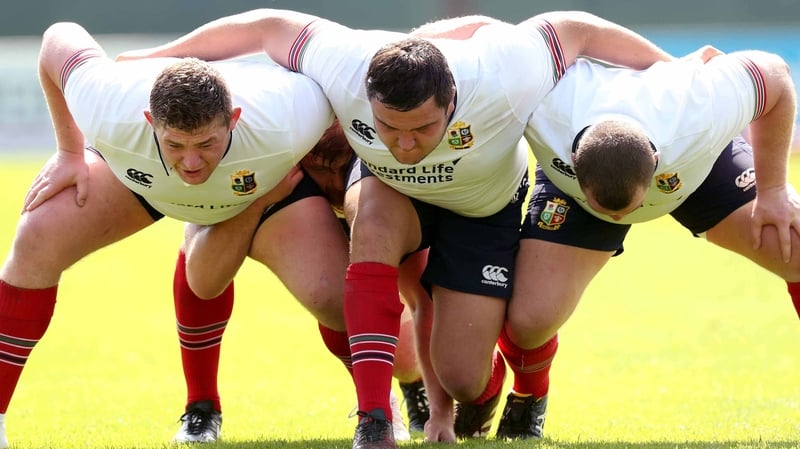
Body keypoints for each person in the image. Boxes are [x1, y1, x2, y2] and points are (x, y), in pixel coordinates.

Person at [116, 9, 673, 448]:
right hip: (393, 194)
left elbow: (576, 28)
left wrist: (671, 68)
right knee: (370, 227)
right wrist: (157, 56)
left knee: (464, 373)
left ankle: (509, 391)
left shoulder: (504, 73)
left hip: (481, 210)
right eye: (388, 127)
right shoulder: (345, 65)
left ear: (452, 101)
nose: (404, 145)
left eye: (422, 129)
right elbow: (266, 25)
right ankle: (374, 420)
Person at [0, 21, 351, 449]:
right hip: (141, 178)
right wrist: (69, 152)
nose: (190, 163)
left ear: (234, 120)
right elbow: (58, 36)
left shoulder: (290, 114)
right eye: (175, 145)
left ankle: (387, 400)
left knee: (339, 302)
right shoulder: (108, 103)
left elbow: (349, 92)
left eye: (205, 144)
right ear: (150, 121)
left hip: (265, 183)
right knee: (36, 236)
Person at [492, 47, 798, 439]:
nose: (622, 219)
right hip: (577, 189)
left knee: (794, 246)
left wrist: (773, 191)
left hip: (695, 165)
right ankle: (528, 394)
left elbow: (775, 74)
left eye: (628, 210)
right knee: (529, 322)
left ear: (655, 161)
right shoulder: (546, 107)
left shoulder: (699, 109)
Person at [169, 121, 432, 443]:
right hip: (280, 173)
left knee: (405, 358)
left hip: (363, 172)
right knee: (203, 249)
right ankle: (201, 405)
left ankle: (411, 387)